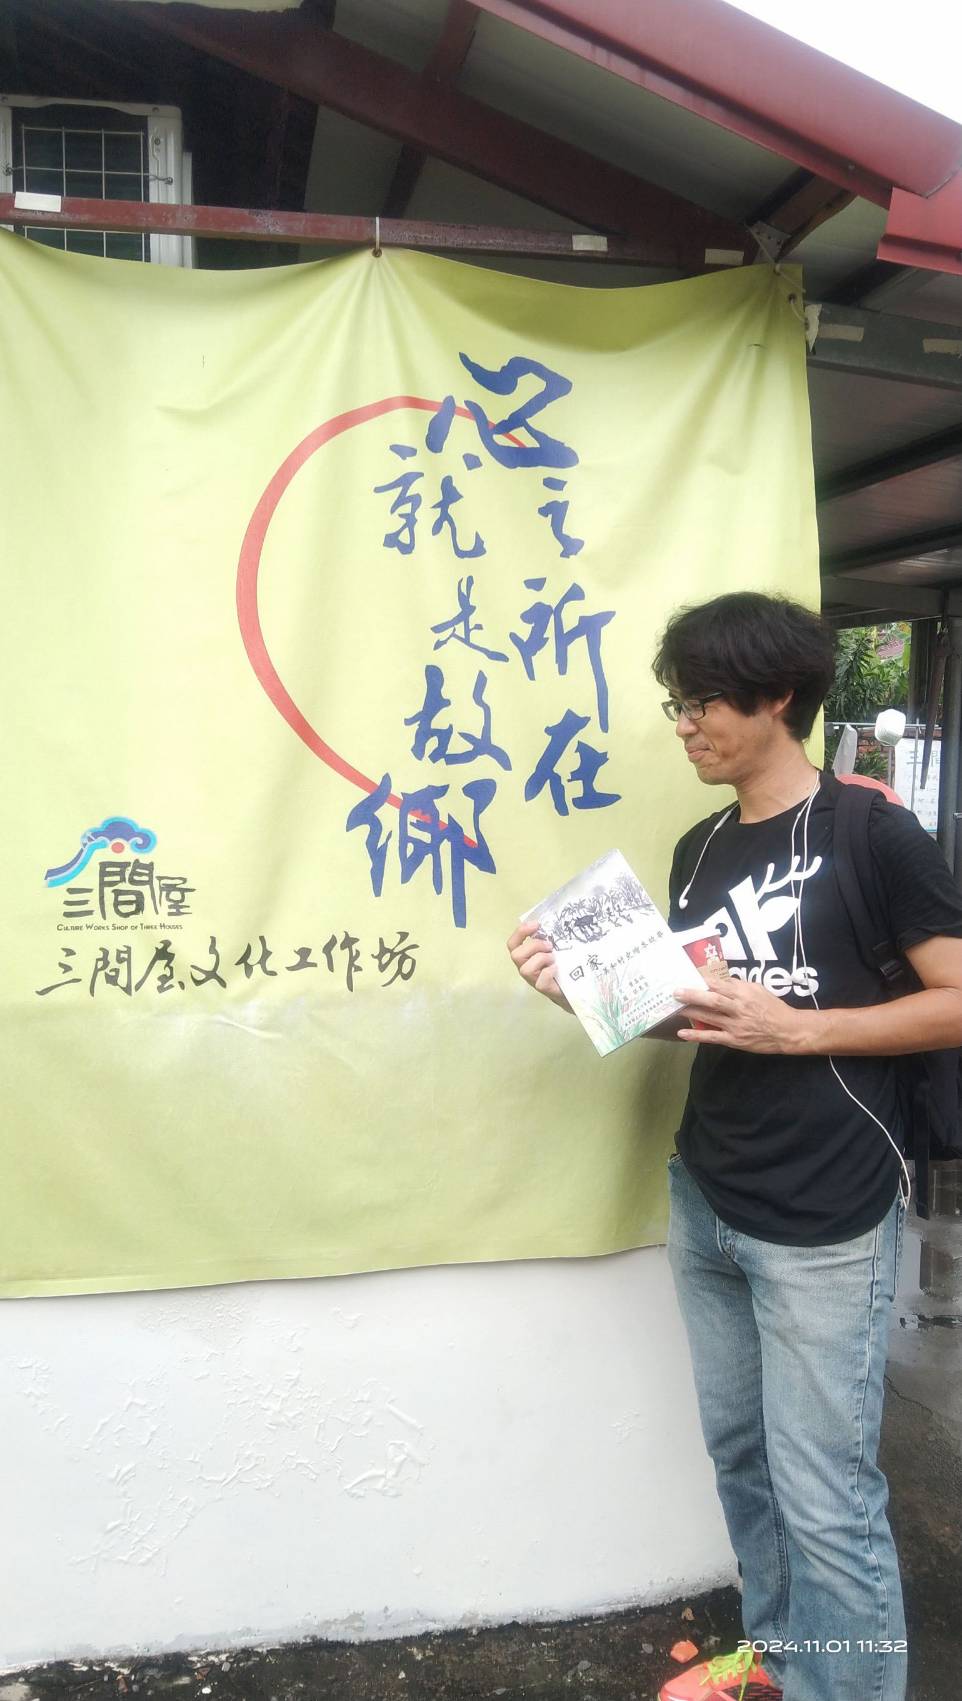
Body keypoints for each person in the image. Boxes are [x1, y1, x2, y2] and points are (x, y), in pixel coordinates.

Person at [507, 592, 962, 1701]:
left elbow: (955, 999)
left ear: (776, 697)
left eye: (701, 701)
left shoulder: (872, 834)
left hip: (826, 1211)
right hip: (707, 1190)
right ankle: (781, 1661)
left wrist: (799, 1028)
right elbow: (698, 1017)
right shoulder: (699, 846)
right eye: (676, 702)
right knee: (745, 1459)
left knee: (825, 1489)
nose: (683, 724)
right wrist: (584, 995)